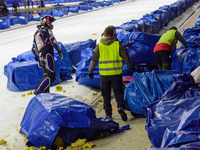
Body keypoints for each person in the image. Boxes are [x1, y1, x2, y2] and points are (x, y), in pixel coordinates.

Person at [88, 26, 134, 121]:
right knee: (118, 93)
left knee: (106, 95)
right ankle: (120, 107)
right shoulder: (118, 45)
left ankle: (108, 114)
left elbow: (94, 60)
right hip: (116, 75)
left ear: (104, 34)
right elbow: (126, 58)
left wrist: (90, 71)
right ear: (113, 34)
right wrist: (131, 67)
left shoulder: (99, 46)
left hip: (104, 76)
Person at [31, 15, 63, 95]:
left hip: (41, 56)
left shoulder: (36, 33)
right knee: (51, 75)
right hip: (48, 54)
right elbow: (53, 41)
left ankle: (45, 93)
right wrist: (59, 51)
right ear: (47, 22)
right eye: (51, 22)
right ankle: (38, 90)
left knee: (46, 74)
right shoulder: (47, 30)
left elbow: (33, 48)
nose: (51, 24)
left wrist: (38, 58)